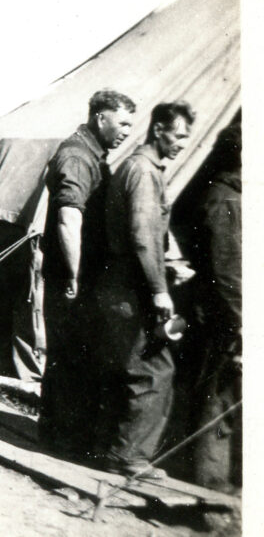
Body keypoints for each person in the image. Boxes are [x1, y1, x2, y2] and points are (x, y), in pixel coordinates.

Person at [96, 101, 195, 480]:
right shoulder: (141, 171)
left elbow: (152, 235)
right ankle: (128, 456)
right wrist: (159, 289)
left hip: (130, 282)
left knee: (143, 367)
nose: (183, 144)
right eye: (178, 135)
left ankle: (123, 451)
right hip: (130, 286)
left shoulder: (147, 168)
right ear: (158, 130)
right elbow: (140, 235)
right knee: (152, 371)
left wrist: (170, 266)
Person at [38, 89, 135, 458]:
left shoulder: (94, 154)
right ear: (101, 118)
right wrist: (77, 275)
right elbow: (68, 219)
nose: (127, 130)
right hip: (70, 277)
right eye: (122, 122)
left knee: (76, 356)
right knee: (68, 358)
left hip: (82, 274)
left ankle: (63, 438)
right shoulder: (77, 157)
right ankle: (60, 443)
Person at [190, 121, 241, 491]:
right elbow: (227, 269)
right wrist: (242, 321)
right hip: (226, 313)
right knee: (220, 398)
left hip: (227, 309)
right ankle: (211, 482)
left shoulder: (230, 195)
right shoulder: (226, 199)